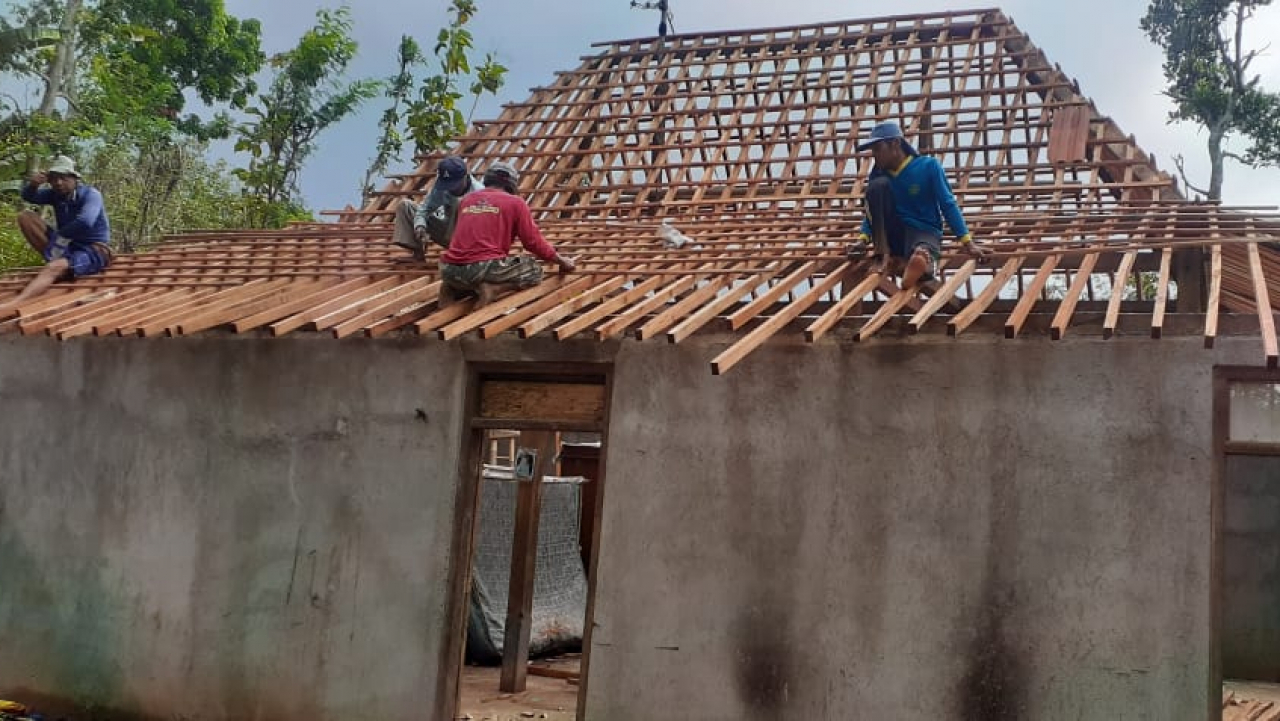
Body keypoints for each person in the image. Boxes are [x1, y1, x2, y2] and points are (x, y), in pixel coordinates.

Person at [850, 122, 987, 289]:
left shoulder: (928, 166)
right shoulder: (878, 174)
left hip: (923, 230)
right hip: (895, 235)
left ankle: (922, 264)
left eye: (878, 148)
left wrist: (967, 242)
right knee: (876, 187)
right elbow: (872, 211)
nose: (875, 155)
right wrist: (862, 240)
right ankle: (883, 255)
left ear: (895, 144)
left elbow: (948, 204)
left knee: (923, 250)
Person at [438, 161, 576, 309]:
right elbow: (532, 242)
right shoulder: (515, 203)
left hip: (448, 269)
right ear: (511, 184)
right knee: (534, 270)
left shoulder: (466, 200)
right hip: (480, 268)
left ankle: (451, 287)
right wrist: (561, 261)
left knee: (467, 272)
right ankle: (494, 289)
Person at [0, 155, 112, 315]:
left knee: (54, 268)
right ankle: (61, 265)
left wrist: (60, 237)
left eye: (63, 178)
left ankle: (12, 305)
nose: (58, 183)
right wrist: (33, 185)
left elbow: (85, 221)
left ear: (74, 179)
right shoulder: (55, 195)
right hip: (67, 246)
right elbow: (28, 197)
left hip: (92, 250)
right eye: (54, 179)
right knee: (25, 217)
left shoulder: (90, 194)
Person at [392, 155, 482, 260]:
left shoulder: (479, 193)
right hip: (448, 232)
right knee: (405, 206)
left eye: (453, 184)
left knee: (460, 202)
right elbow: (425, 208)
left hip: (469, 242)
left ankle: (461, 254)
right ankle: (417, 253)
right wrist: (420, 225)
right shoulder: (442, 186)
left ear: (465, 177)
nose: (450, 188)